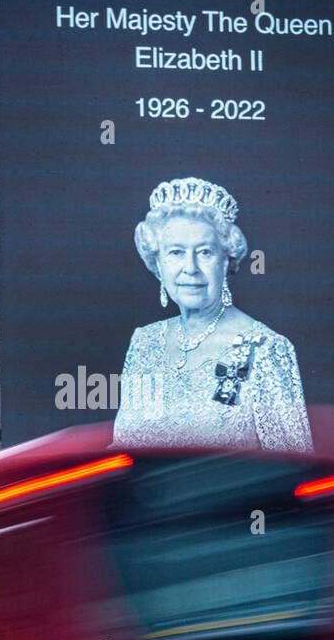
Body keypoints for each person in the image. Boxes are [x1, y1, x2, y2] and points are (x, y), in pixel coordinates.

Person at [112, 176, 313, 453]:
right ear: (158, 263)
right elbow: (123, 447)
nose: (190, 268)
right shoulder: (145, 341)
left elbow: (296, 466)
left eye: (204, 252)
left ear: (226, 259)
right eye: (176, 252)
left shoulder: (266, 348)